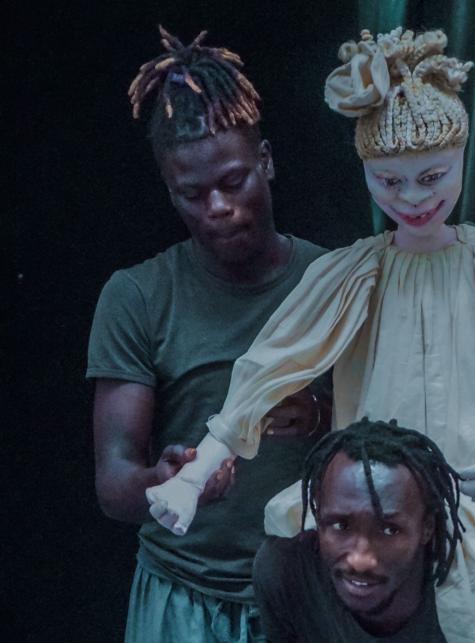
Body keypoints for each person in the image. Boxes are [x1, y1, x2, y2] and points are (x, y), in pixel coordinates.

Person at [145, 27, 475, 643]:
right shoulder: (353, 272)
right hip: (370, 506)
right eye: (389, 181)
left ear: (461, 159)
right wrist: (195, 475)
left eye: (432, 177)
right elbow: (265, 373)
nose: (412, 198)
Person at [87, 27, 330, 641]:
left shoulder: (334, 280)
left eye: (233, 181)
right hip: (182, 593)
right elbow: (114, 483)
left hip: (310, 588)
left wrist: (321, 415)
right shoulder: (138, 295)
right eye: (191, 194)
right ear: (169, 191)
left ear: (266, 161)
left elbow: (394, 427)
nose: (217, 207)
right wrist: (161, 482)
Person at [253, 418, 461, 642]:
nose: (360, 560)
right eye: (341, 526)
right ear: (317, 514)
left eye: (389, 530)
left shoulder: (471, 595)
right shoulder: (286, 571)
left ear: (427, 527)